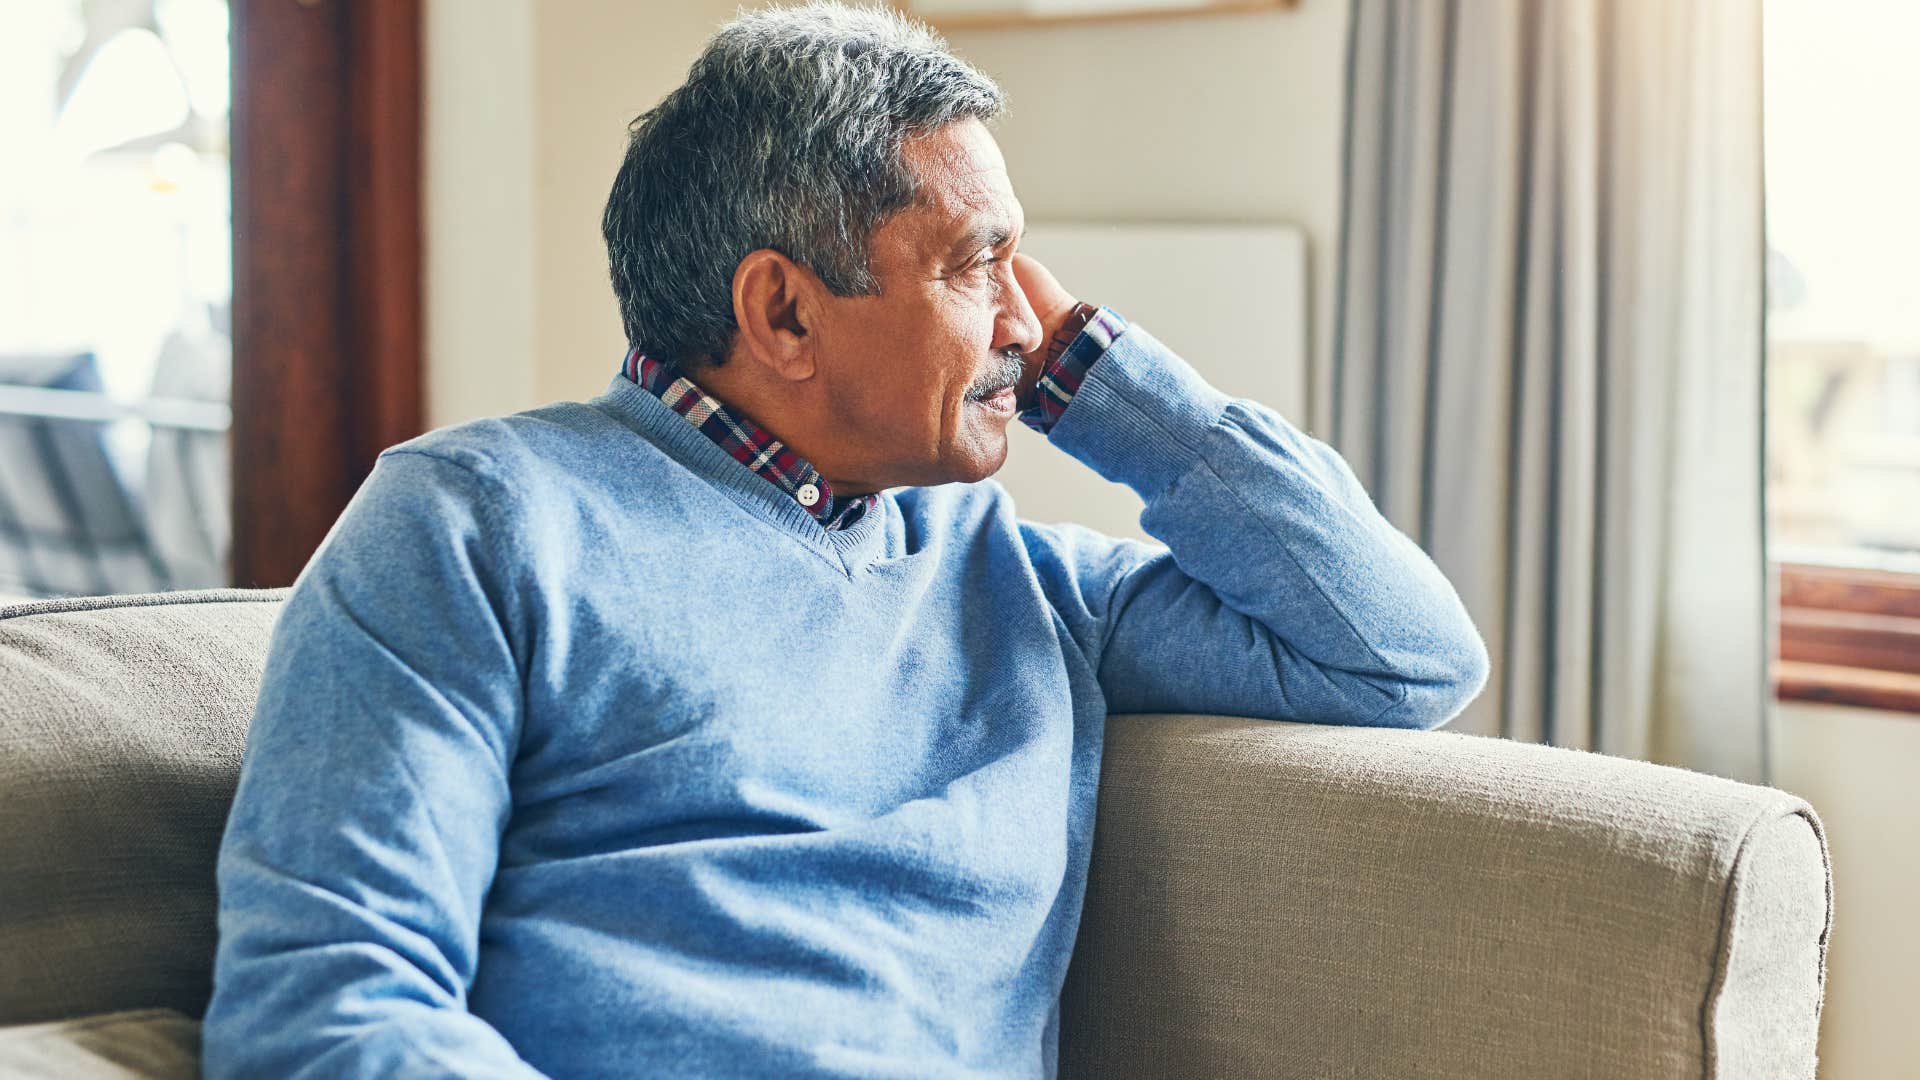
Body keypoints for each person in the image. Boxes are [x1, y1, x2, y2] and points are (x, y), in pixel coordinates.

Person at [201, 3, 1490, 1077]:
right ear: (785, 313)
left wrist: (1106, 381)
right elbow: (326, 1008)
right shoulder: (475, 523)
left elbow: (1401, 656)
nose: (1026, 325)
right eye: (978, 267)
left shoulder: (1024, 585)